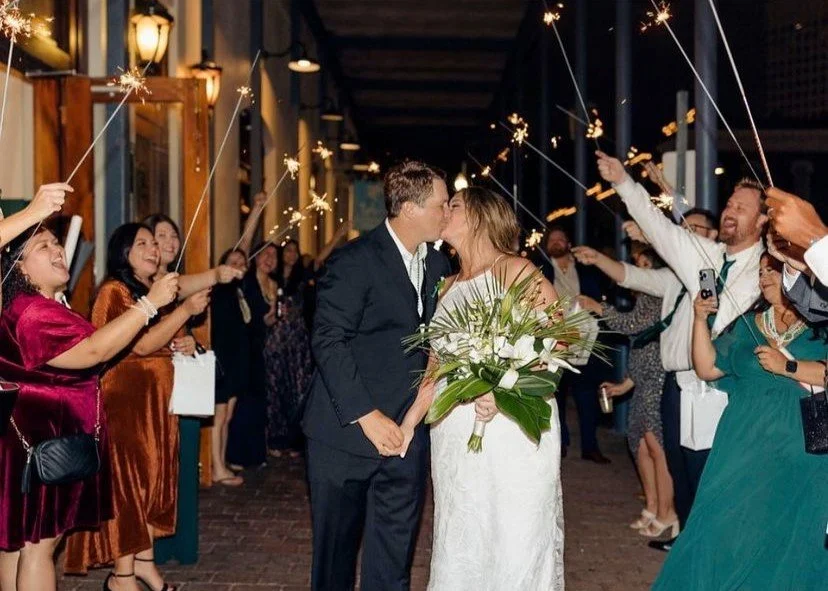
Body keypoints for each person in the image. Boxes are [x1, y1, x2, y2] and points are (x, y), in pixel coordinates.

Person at [398, 186, 565, 589]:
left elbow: (559, 343)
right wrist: (409, 423)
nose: (443, 212)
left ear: (477, 216)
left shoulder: (515, 269)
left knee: (515, 538)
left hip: (512, 428)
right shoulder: (445, 284)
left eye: (452, 206)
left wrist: (503, 391)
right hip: (455, 433)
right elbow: (435, 365)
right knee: (461, 536)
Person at [596, 150, 766, 527]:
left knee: (719, 485)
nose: (730, 211)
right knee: (683, 476)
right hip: (683, 387)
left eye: (742, 206)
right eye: (729, 204)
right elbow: (661, 228)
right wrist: (624, 182)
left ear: (763, 221)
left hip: (728, 389)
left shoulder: (765, 265)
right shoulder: (706, 256)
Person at [302, 160, 451, 590]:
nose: (447, 213)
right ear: (409, 210)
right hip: (344, 434)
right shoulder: (355, 260)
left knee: (393, 560)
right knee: (335, 562)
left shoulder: (439, 266)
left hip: (407, 437)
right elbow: (328, 340)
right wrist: (367, 416)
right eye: (441, 205)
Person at [653, 254, 828, 589]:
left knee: (788, 538)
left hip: (801, 449)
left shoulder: (821, 324)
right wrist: (699, 320)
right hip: (742, 445)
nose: (764, 276)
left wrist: (787, 367)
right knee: (722, 524)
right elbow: (707, 368)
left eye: (773, 270)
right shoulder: (749, 323)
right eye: (761, 271)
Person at [63, 223, 210, 591]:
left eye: (153, 244)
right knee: (129, 486)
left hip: (157, 405)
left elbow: (165, 340)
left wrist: (186, 340)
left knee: (152, 482)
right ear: (122, 252)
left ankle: (145, 565)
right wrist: (184, 311)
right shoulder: (115, 291)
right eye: (141, 243)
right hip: (125, 404)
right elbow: (141, 346)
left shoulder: (151, 292)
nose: (152, 249)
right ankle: (122, 576)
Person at [590, 207, 719, 548]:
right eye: (684, 228)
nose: (688, 234)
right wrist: (597, 258)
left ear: (713, 235)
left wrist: (651, 237)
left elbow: (713, 312)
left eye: (697, 229)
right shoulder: (676, 277)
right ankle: (681, 528)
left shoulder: (710, 270)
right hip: (675, 379)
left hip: (701, 380)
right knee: (677, 456)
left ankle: (685, 529)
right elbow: (632, 277)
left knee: (692, 458)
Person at [142, 213, 242, 566]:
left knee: (179, 465)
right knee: (154, 470)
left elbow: (187, 296)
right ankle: (147, 552)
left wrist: (186, 342)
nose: (168, 242)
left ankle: (176, 544)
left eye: (173, 235)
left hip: (180, 385)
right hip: (150, 391)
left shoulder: (171, 281)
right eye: (160, 236)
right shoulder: (139, 284)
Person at [576, 246, 677, 538]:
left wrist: (598, 307)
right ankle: (653, 506)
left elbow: (633, 325)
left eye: (643, 265)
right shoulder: (646, 296)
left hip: (658, 376)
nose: (638, 271)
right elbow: (638, 338)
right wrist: (626, 383)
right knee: (640, 445)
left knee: (656, 446)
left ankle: (667, 512)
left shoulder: (661, 293)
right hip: (642, 376)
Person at [540, 226, 610, 463]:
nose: (557, 242)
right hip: (554, 339)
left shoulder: (585, 269)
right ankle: (560, 444)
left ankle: (590, 446)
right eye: (553, 239)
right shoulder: (541, 269)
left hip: (583, 339)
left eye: (561, 238)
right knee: (555, 395)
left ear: (568, 243)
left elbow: (600, 294)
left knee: (586, 395)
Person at [227, 242, 278, 470]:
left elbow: (266, 320)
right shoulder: (247, 281)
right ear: (255, 258)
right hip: (242, 344)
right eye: (265, 254)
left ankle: (257, 455)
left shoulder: (274, 285)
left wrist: (271, 319)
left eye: (273, 256)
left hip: (260, 346)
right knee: (243, 400)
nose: (269, 258)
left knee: (258, 398)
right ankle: (238, 455)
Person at [265, 239, 313, 458]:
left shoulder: (301, 276)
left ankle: (296, 441)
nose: (292, 255)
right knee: (275, 387)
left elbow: (320, 257)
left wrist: (340, 234)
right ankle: (276, 439)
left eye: (296, 251)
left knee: (298, 387)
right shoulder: (272, 277)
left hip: (297, 340)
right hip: (277, 338)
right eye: (289, 251)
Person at [210, 248, 250, 485]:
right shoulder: (219, 289)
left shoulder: (238, 292)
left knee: (228, 416)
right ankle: (216, 467)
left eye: (241, 262)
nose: (238, 264)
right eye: (232, 260)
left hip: (235, 360)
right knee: (219, 415)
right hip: (221, 359)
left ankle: (222, 461)